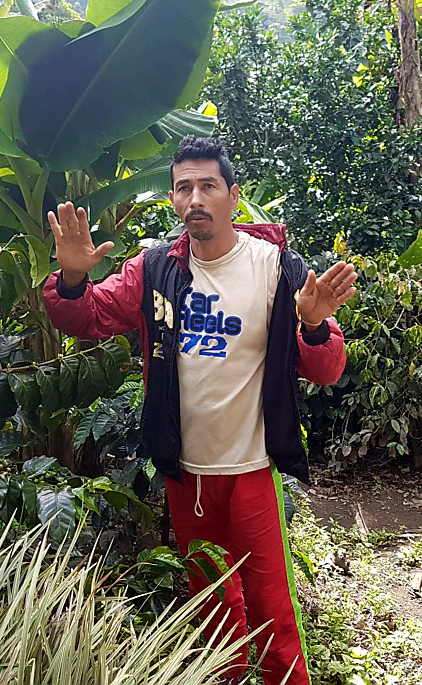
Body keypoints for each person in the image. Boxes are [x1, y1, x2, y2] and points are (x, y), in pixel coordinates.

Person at [42, 136, 358, 685]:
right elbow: (87, 317)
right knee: (210, 604)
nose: (195, 198)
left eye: (208, 186)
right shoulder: (155, 268)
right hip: (186, 472)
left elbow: (325, 369)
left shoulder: (275, 267)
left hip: (251, 468)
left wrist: (312, 324)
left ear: (232, 195)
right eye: (184, 187)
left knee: (272, 608)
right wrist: (71, 278)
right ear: (172, 198)